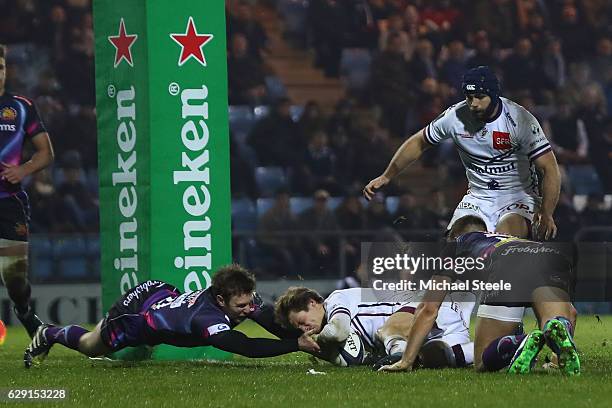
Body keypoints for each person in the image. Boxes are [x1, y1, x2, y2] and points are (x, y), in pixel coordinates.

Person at [364, 65, 561, 325]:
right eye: (469, 97)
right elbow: (418, 142)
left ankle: (531, 323)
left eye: (480, 97)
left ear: (494, 95)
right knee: (452, 251)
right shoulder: (455, 117)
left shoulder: (520, 119)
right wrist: (386, 176)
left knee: (505, 245)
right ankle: (436, 323)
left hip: (518, 196)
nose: (473, 103)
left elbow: (550, 169)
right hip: (478, 197)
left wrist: (546, 212)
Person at [379, 215, 579, 375]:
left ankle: (520, 342)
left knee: (482, 360)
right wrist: (556, 359)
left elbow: (428, 309)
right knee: (555, 322)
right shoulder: (504, 239)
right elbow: (572, 311)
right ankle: (557, 342)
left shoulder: (456, 245)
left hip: (507, 265)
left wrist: (406, 360)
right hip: (549, 255)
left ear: (453, 235)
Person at [24, 265, 320, 368]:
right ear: (220, 300)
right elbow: (246, 346)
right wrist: (296, 346)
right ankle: (49, 332)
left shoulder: (239, 296)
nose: (247, 309)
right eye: (241, 306)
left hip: (162, 296)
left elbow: (271, 323)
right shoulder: (206, 319)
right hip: (136, 316)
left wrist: (309, 339)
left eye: (248, 303)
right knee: (92, 346)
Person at [274, 287, 474, 369]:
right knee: (444, 357)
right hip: (442, 328)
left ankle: (399, 353)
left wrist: (321, 345)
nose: (304, 329)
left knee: (387, 332)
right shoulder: (329, 324)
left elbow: (338, 331)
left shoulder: (336, 300)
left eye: (301, 321)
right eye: (299, 328)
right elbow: (352, 359)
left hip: (427, 308)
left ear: (312, 303)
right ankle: (497, 348)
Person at [0, 44, 54, 337]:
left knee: (15, 278)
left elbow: (46, 153)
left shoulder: (21, 107)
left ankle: (22, 310)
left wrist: (21, 170)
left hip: (9, 203)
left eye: (1, 67)